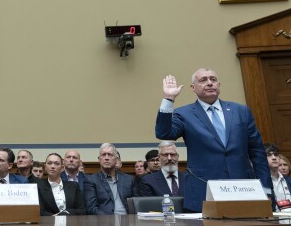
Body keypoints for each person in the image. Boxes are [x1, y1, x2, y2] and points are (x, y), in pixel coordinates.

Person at [156, 68, 272, 212]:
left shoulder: (240, 111)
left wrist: (266, 188)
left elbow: (257, 152)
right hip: (203, 189)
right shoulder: (184, 113)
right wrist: (169, 99)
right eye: (203, 80)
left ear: (219, 85)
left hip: (244, 188)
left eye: (213, 79)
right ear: (193, 88)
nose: (210, 83)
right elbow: (164, 133)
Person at [83, 143, 135, 215]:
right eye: (103, 155)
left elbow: (136, 205)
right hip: (104, 221)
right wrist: (110, 220)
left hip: (129, 220)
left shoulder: (129, 179)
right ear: (99, 159)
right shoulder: (91, 180)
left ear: (116, 159)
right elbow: (91, 208)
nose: (106, 158)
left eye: (110, 155)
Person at [264, 143, 291, 212]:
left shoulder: (289, 181)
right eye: (269, 155)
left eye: (276, 155)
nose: (274, 158)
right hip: (274, 221)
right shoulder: (262, 182)